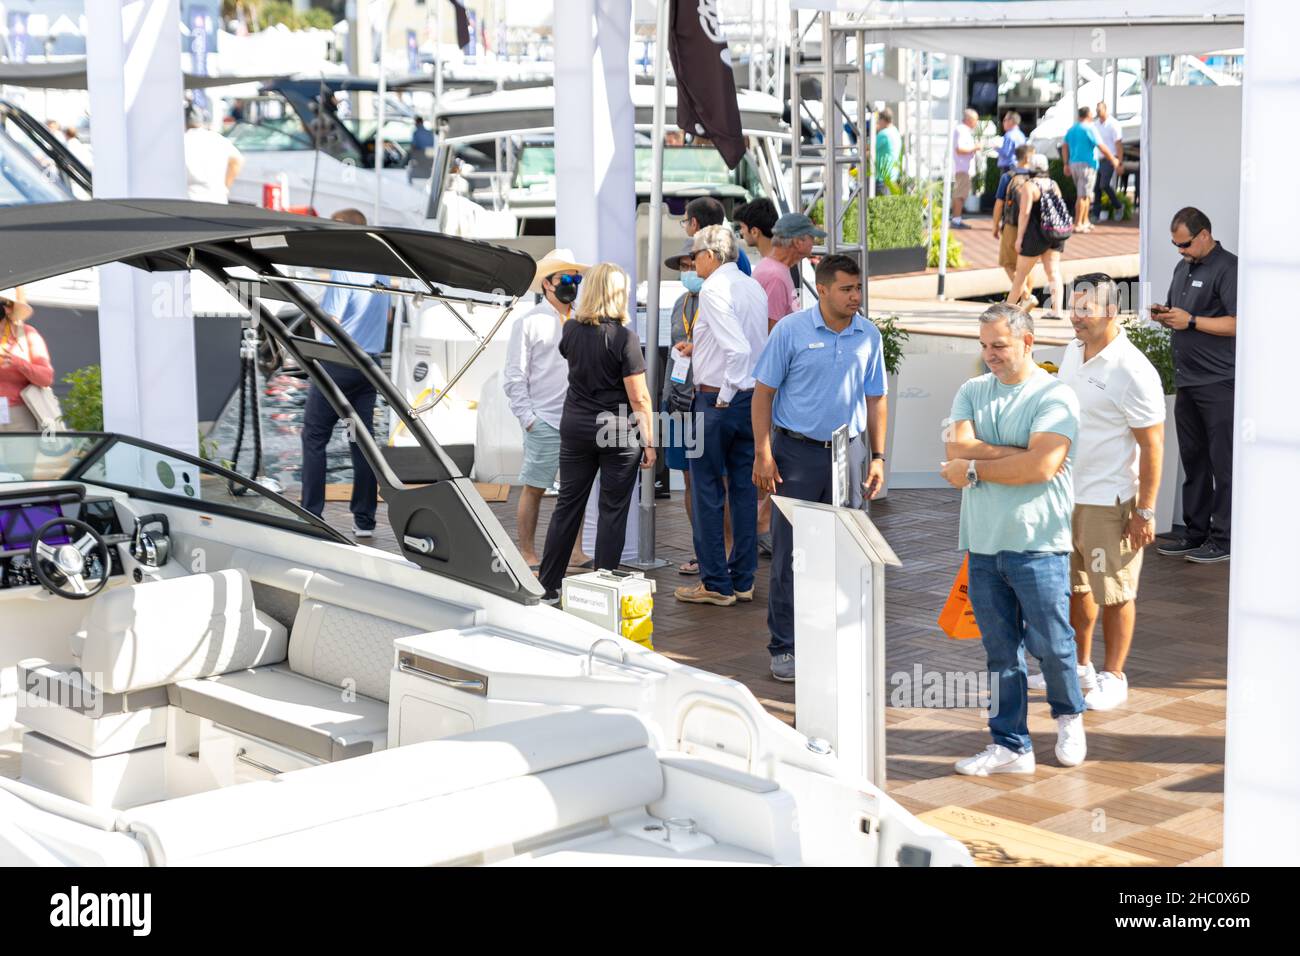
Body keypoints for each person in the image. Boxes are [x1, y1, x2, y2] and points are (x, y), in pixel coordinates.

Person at [942, 303, 1086, 775]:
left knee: (1053, 644)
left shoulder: (1056, 395)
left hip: (1039, 544)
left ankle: (1069, 718)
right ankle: (1011, 745)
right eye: (984, 346)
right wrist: (1017, 455)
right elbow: (956, 447)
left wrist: (977, 469)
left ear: (1027, 342)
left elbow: (1041, 468)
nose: (990, 355)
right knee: (1001, 653)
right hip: (982, 544)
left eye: (999, 345)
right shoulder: (971, 390)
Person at [1029, 274, 1164, 712]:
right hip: (1065, 495)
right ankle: (1080, 667)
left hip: (1110, 504)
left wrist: (1145, 510)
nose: (1076, 316)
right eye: (1074, 307)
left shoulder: (1133, 370)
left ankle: (1114, 675)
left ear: (1111, 312)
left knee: (1116, 592)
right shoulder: (1072, 351)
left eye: (1085, 309)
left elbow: (1152, 446)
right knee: (1078, 589)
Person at [752, 255, 887, 682]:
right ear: (823, 290)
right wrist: (763, 452)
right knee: (791, 553)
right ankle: (785, 646)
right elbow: (763, 394)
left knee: (843, 551)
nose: (855, 297)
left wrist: (879, 455)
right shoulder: (791, 331)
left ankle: (833, 638)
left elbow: (876, 397)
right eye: (847, 289)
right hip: (796, 455)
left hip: (846, 454)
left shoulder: (869, 335)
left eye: (858, 288)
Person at [537, 264, 655, 601]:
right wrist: (649, 442)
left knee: (568, 507)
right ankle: (601, 588)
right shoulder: (624, 338)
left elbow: (568, 354)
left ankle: (548, 585)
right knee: (612, 511)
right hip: (617, 432)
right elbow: (639, 397)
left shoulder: (571, 330)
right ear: (619, 294)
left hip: (576, 427)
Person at [674, 224, 768, 608]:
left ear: (711, 256)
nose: (691, 261)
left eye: (694, 255)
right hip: (750, 401)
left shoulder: (713, 289)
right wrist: (700, 348)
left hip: (718, 401)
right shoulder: (752, 285)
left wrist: (724, 396)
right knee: (743, 492)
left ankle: (715, 582)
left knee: (707, 491)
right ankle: (742, 579)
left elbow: (738, 350)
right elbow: (744, 345)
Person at [1152, 207, 1237, 564]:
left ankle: (1225, 538)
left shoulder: (1229, 268)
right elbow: (1181, 314)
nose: (1180, 251)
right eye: (1175, 245)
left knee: (1223, 463)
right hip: (1187, 380)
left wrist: (1192, 321)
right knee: (1194, 460)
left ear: (1204, 235)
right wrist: (1167, 315)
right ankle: (1195, 530)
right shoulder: (1183, 266)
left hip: (1219, 381)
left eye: (1184, 244)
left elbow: (1237, 323)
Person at [299, 209, 391, 537]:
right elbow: (388, 317)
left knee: (314, 437)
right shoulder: (383, 273)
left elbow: (332, 323)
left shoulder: (344, 271)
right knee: (359, 442)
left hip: (337, 366)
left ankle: (313, 514)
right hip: (369, 369)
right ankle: (364, 521)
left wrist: (316, 321)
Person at [502, 248, 593, 571]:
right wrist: (529, 419)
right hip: (544, 420)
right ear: (547, 284)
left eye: (576, 278)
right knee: (534, 487)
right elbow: (514, 376)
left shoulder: (585, 319)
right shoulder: (528, 322)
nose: (572, 284)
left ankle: (576, 552)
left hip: (579, 419)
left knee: (575, 490)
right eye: (565, 278)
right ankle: (527, 551)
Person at [660, 242, 706, 575]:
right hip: (676, 401)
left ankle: (718, 549)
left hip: (705, 400)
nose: (689, 272)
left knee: (710, 479)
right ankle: (700, 547)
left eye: (693, 265)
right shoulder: (680, 303)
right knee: (688, 480)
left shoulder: (716, 301)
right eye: (684, 267)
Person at [1007, 153, 1066, 314]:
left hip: (1034, 235)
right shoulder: (1054, 184)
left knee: (1020, 276)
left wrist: (1019, 238)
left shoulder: (1029, 186)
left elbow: (1024, 213)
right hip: (1054, 233)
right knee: (1053, 272)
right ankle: (1057, 311)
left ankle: (1006, 312)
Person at [733, 199, 797, 328]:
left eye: (742, 227)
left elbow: (771, 328)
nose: (741, 232)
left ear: (755, 231)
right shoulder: (776, 266)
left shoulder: (771, 272)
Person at [991, 142, 1036, 305]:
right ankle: (1026, 299)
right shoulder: (1036, 176)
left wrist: (995, 225)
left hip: (1012, 225)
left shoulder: (1008, 176)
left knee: (1008, 263)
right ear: (1028, 157)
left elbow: (999, 203)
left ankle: (1025, 296)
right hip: (1033, 226)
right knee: (1028, 265)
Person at [0, 288, 50, 433]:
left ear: (9, 308)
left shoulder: (27, 334)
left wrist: (20, 364)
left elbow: (46, 378)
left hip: (19, 412)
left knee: (20, 456)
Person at [1060, 106, 1118, 234]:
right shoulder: (1090, 128)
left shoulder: (1072, 129)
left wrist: (1066, 163)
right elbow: (1100, 145)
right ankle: (1078, 223)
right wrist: (1112, 159)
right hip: (1087, 164)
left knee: (1085, 194)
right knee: (1082, 195)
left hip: (1074, 163)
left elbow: (1064, 146)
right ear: (1088, 115)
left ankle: (1085, 221)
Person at [183, 102, 243, 204]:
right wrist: (226, 187)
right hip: (217, 200)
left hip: (191, 200)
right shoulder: (218, 138)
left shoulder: (181, 140)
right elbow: (238, 161)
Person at [683, 197, 752, 276]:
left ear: (694, 223)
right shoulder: (735, 251)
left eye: (684, 221)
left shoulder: (706, 255)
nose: (684, 226)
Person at [1092, 101, 1125, 223]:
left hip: (1110, 158)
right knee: (1096, 188)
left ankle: (1118, 206)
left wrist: (1119, 162)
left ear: (1105, 110)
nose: (1098, 112)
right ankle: (1096, 214)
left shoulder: (1113, 124)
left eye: (1100, 110)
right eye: (1097, 110)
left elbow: (1118, 144)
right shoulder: (1095, 125)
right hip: (1097, 158)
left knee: (1104, 184)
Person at [950, 108, 979, 230]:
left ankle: (957, 219)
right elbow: (959, 149)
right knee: (960, 194)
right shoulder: (961, 130)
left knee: (961, 194)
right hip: (962, 168)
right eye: (975, 120)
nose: (976, 123)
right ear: (969, 120)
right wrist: (975, 148)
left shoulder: (963, 130)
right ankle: (956, 220)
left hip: (963, 168)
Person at [874, 107, 902, 195]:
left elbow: (869, 149)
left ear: (883, 120)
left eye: (878, 120)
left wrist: (875, 131)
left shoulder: (884, 133)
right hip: (893, 176)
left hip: (883, 177)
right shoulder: (895, 132)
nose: (878, 123)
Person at [996, 110, 1026, 174]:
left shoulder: (1009, 135)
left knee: (1004, 184)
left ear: (1011, 121)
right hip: (1020, 167)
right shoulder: (1021, 135)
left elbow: (1006, 153)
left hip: (1009, 168)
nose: (1003, 123)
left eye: (1004, 120)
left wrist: (996, 147)